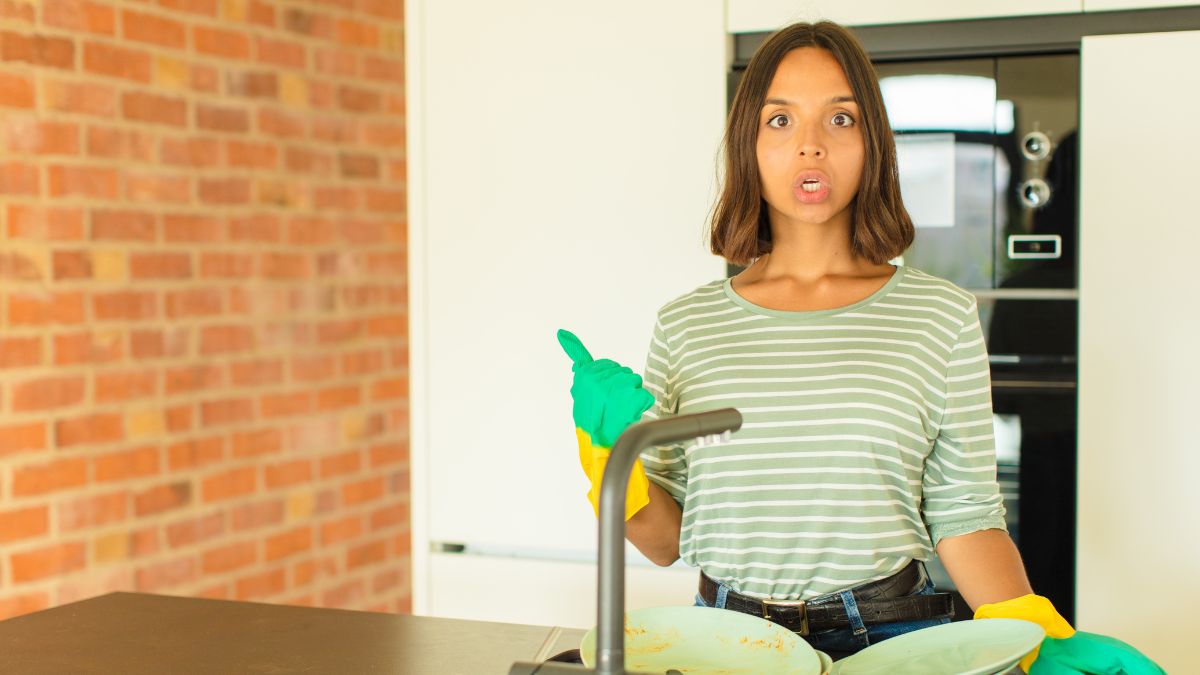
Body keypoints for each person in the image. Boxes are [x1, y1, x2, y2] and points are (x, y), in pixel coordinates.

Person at [559, 21, 1161, 673]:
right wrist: (605, 453)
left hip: (891, 642)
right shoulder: (687, 324)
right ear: (747, 145)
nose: (811, 147)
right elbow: (663, 541)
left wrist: (1032, 637)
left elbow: (967, 519)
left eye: (839, 119)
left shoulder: (939, 316)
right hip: (723, 645)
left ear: (872, 141)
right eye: (780, 120)